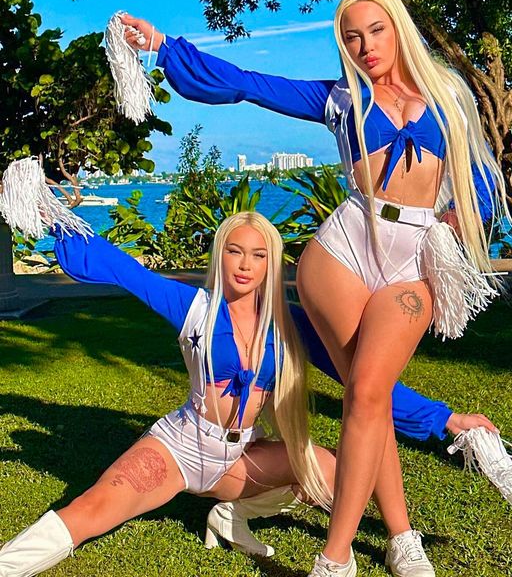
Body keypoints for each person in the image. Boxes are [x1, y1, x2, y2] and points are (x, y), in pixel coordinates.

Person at [119, 0, 508, 577]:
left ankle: (340, 556)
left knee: (368, 393)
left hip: (414, 257)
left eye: (375, 30)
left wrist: (462, 217)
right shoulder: (339, 100)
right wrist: (165, 46)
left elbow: (478, 169)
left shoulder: (448, 93)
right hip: (342, 252)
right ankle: (395, 543)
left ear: (398, 28)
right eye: (352, 37)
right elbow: (250, 84)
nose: (365, 46)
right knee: (365, 396)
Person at [0, 161, 498, 577]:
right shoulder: (193, 306)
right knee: (88, 513)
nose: (244, 264)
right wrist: (49, 216)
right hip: (179, 450)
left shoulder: (291, 326)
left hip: (238, 459)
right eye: (235, 252)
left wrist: (446, 419)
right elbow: (123, 269)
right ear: (221, 256)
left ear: (270, 263)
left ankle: (230, 515)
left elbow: (367, 384)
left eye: (258, 255)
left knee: (343, 472)